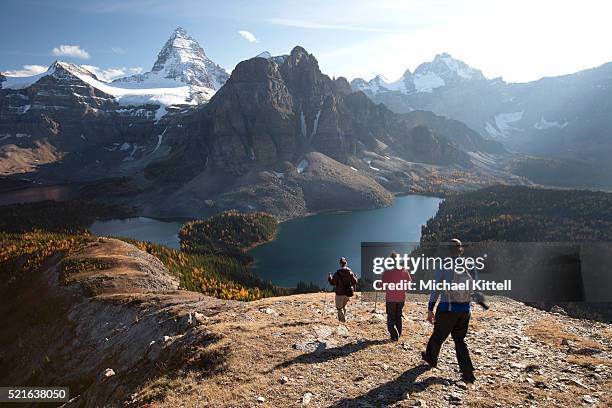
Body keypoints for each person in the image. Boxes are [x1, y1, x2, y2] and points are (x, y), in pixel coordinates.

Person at [422, 238, 477, 383]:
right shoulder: (469, 265)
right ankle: (468, 373)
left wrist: (430, 309)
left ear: (448, 250)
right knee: (459, 340)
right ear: (461, 249)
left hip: (448, 309)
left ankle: (430, 359)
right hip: (465, 310)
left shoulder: (444, 265)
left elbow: (436, 290)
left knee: (438, 337)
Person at [381, 251, 412, 341]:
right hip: (401, 297)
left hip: (390, 298)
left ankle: (394, 334)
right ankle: (398, 334)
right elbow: (409, 284)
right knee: (398, 316)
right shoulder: (404, 271)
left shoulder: (387, 272)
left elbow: (383, 286)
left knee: (391, 316)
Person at [328, 257, 358, 322]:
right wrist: (355, 276)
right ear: (346, 263)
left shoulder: (337, 273)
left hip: (339, 294)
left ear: (340, 264)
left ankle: (342, 321)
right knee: (344, 306)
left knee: (339, 308)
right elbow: (355, 282)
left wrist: (329, 277)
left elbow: (333, 283)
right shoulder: (350, 272)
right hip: (348, 293)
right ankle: (344, 318)